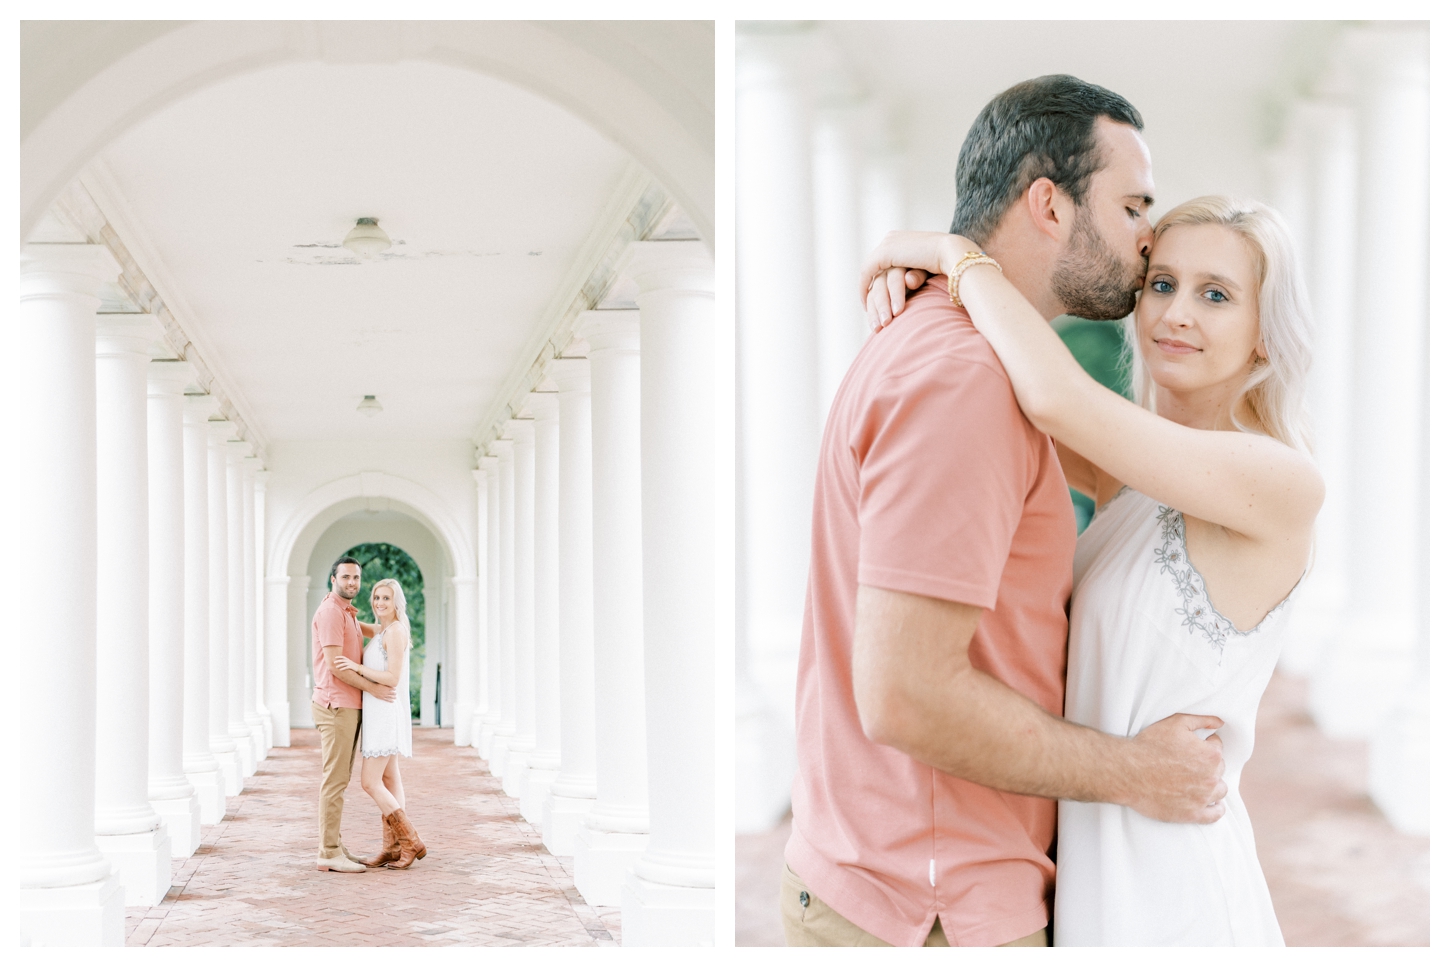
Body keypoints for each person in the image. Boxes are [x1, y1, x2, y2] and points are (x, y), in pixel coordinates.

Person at [783, 75, 1231, 948]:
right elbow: (909, 695)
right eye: (1135, 205)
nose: (1149, 241)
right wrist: (1140, 772)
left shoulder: (970, 353)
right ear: (1049, 205)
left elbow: (1102, 449)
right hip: (932, 904)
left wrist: (947, 252)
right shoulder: (963, 381)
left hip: (923, 881)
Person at [859, 193, 1319, 945]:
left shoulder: (1283, 482)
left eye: (1216, 295)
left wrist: (950, 254)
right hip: (1091, 858)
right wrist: (912, 277)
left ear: (1265, 335)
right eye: (1162, 284)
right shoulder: (1128, 471)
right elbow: (998, 394)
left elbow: (1052, 395)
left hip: (1177, 879)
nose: (1175, 313)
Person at [331, 578, 428, 869]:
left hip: (386, 712)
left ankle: (411, 841)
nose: (380, 603)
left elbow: (392, 678)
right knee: (389, 779)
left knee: (369, 782)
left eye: (386, 598)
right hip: (378, 712)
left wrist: (358, 667)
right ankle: (393, 848)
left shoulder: (395, 632)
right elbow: (356, 626)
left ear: (396, 602)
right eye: (376, 597)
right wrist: (337, 605)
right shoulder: (382, 629)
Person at [310, 556, 394, 873]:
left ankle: (334, 846)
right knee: (334, 781)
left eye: (356, 578)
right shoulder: (332, 611)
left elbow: (380, 629)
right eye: (346, 577)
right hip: (336, 706)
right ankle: (328, 852)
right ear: (334, 579)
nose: (352, 583)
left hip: (348, 706)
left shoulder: (347, 612)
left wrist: (396, 620)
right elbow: (335, 666)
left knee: (339, 780)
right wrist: (373, 688)